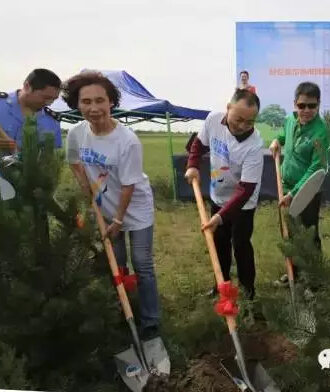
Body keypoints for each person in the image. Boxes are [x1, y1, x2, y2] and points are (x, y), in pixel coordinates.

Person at [62, 71, 161, 341]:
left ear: (110, 102)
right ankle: (122, 310)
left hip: (135, 209)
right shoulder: (76, 133)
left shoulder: (127, 140)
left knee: (142, 264)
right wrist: (87, 190)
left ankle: (151, 320)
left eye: (100, 100)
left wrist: (117, 221)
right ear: (77, 104)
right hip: (103, 208)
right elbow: (74, 162)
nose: (93, 108)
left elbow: (128, 185)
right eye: (86, 102)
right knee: (116, 264)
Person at [185, 88, 264, 301]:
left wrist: (220, 217)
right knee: (219, 245)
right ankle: (221, 285)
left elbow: (245, 190)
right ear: (228, 108)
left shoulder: (255, 146)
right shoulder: (213, 120)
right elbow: (198, 144)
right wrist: (193, 165)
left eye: (249, 122)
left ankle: (248, 294)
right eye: (238, 119)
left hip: (242, 204)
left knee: (241, 247)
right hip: (218, 196)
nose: (242, 126)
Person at [269, 81, 330, 287]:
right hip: (285, 186)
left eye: (312, 106)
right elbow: (283, 136)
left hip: (308, 191)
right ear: (295, 103)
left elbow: (315, 168)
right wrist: (277, 141)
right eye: (302, 105)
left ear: (318, 105)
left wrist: (294, 193)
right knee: (290, 232)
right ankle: (293, 274)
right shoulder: (290, 120)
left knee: (309, 234)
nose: (306, 111)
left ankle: (315, 280)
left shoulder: (321, 132)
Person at [0, 69, 63, 153]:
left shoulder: (52, 122)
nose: (49, 103)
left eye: (53, 99)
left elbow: (53, 160)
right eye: (46, 97)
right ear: (27, 86)